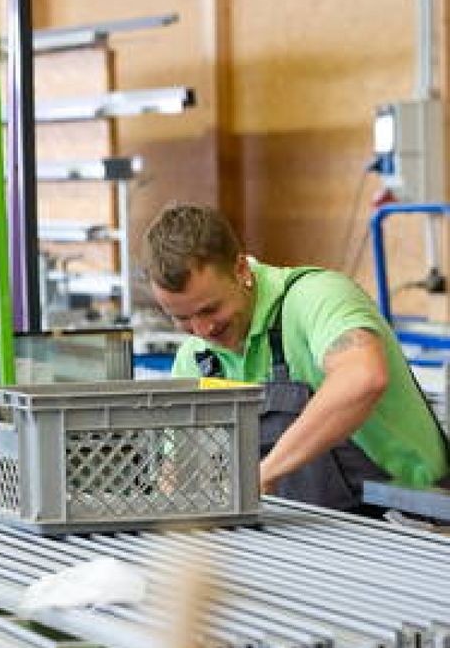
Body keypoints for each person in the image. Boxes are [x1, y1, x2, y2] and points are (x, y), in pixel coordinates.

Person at [142, 202, 449, 512]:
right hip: (303, 535)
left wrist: (265, 472)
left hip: (408, 525)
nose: (203, 329)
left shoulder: (316, 298)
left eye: (211, 309)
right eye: (181, 318)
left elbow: (363, 379)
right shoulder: (194, 358)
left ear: (241, 270)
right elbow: (179, 471)